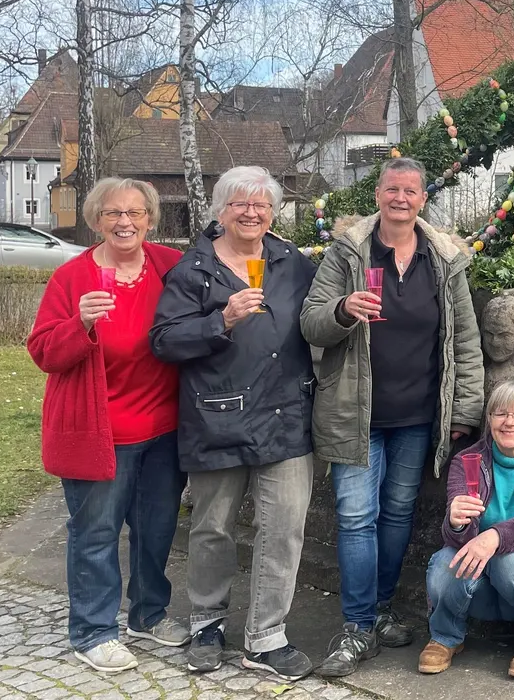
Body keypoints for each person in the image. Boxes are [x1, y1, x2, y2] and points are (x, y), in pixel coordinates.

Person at [300, 157, 486, 679]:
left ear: (423, 199)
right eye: (391, 189)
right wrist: (342, 310)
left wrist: (464, 410)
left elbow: (465, 341)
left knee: (398, 513)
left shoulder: (444, 259)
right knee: (356, 517)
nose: (400, 198)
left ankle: (381, 610)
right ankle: (357, 625)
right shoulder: (350, 253)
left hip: (417, 415)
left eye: (409, 190)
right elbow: (311, 323)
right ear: (377, 195)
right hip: (355, 412)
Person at [149, 167, 319, 680]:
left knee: (284, 529)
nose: (252, 213)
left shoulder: (293, 263)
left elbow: (316, 319)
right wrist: (219, 321)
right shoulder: (193, 269)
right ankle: (206, 623)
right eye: (240, 204)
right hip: (216, 417)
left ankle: (267, 637)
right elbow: (163, 341)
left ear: (273, 211)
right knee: (212, 528)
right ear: (220, 211)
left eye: (262, 205)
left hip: (285, 415)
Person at [27, 177, 186, 673]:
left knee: (157, 529)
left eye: (135, 213)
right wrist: (81, 325)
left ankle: (148, 614)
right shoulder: (72, 278)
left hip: (163, 428)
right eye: (113, 214)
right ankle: (93, 631)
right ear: (96, 220)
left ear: (150, 219)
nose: (125, 222)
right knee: (95, 534)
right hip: (101, 433)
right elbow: (43, 352)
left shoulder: (169, 265)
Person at [420, 381, 514, 678]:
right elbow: (453, 537)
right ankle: (445, 637)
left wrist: (495, 537)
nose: (509, 422)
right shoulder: (467, 460)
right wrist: (455, 521)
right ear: (489, 420)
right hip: (479, 591)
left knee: (508, 559)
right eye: (500, 413)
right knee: (443, 564)